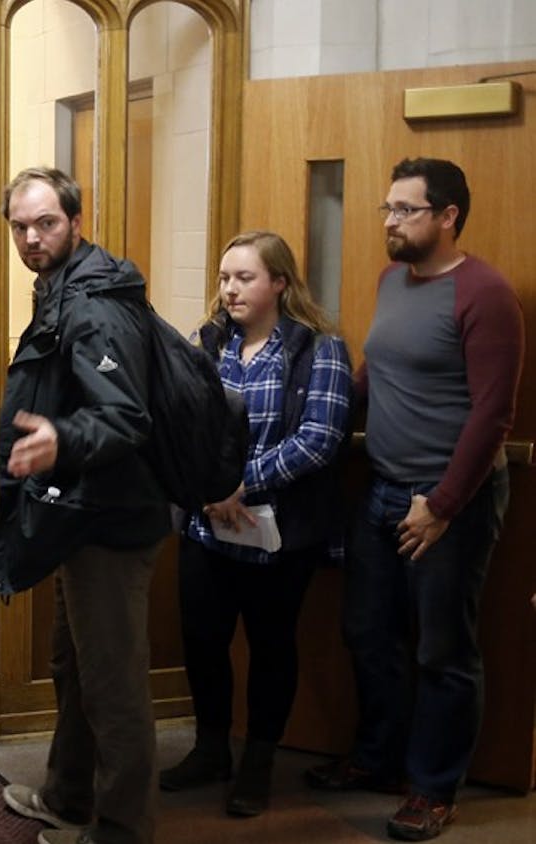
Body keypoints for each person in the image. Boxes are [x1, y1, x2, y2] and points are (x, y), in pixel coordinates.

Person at [305, 158, 523, 842]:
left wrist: (445, 504)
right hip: (381, 491)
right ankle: (378, 761)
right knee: (368, 633)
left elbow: (493, 414)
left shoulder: (485, 294)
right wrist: (330, 421)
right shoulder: (393, 280)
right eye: (388, 209)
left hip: (448, 504)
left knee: (444, 652)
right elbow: (380, 368)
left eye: (406, 209)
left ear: (448, 215)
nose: (391, 221)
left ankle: (433, 788)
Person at [0, 167, 170, 844]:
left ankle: (125, 830)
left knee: (113, 684)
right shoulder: (61, 288)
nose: (33, 239)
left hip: (112, 522)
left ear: (74, 219)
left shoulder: (93, 303)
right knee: (75, 667)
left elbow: (126, 417)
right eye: (21, 227)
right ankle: (69, 795)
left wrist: (60, 439)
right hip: (82, 513)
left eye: (47, 224)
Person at [156, 231, 352, 817]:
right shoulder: (206, 345)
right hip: (206, 529)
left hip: (276, 535)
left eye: (245, 278)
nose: (230, 289)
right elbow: (178, 422)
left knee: (271, 647)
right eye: (223, 278)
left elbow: (320, 439)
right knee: (203, 641)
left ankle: (258, 763)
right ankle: (211, 749)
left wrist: (244, 483)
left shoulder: (320, 349)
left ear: (280, 284)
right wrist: (206, 491)